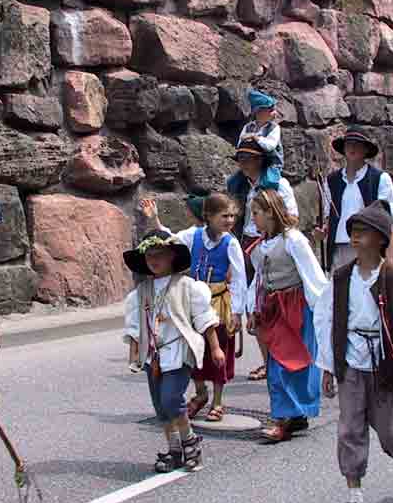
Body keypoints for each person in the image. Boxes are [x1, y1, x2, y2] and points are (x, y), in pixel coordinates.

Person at [315, 201, 393, 503]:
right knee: (349, 429)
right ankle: (355, 498)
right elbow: (325, 320)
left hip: (383, 365)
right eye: (353, 231)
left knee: (390, 433)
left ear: (380, 239)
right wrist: (328, 366)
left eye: (363, 232)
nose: (355, 237)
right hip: (351, 363)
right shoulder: (341, 279)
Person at [123, 230, 225, 472]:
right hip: (154, 355)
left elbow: (204, 318)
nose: (154, 260)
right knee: (161, 406)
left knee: (171, 399)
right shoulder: (141, 292)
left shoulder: (187, 286)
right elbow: (135, 326)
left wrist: (215, 348)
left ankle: (191, 443)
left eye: (160, 254)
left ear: (172, 256)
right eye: (149, 256)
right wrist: (134, 354)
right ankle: (174, 450)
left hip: (179, 350)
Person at [139, 193, 246, 422]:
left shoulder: (231, 242)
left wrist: (237, 311)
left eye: (232, 216)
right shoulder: (193, 235)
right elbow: (170, 239)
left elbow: (239, 278)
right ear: (209, 216)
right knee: (194, 348)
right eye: (224, 216)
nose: (229, 221)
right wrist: (154, 219)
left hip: (218, 301)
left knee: (219, 351)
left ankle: (218, 401)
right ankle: (200, 393)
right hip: (194, 302)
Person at [246, 190, 327, 442]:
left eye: (256, 213)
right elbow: (259, 280)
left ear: (270, 213)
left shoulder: (293, 240)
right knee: (276, 364)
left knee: (293, 363)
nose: (253, 218)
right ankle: (290, 415)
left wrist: (321, 310)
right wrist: (254, 309)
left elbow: (312, 275)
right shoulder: (261, 246)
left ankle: (287, 418)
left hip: (295, 307)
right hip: (274, 308)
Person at [227, 139, 299, 381]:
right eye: (241, 158)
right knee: (253, 304)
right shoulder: (241, 187)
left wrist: (273, 238)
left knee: (270, 304)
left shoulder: (279, 185)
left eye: (248, 158)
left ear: (260, 160)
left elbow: (293, 217)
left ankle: (280, 360)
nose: (243, 163)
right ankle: (267, 361)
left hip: (270, 244)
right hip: (247, 243)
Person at [312, 126, 393, 273]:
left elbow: (387, 219)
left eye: (357, 144)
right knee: (340, 286)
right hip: (339, 247)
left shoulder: (380, 179)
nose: (352, 148)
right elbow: (328, 216)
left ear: (365, 150)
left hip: (369, 246)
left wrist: (388, 260)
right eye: (349, 144)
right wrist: (323, 231)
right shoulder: (332, 181)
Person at [236, 89, 284, 188]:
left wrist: (254, 137)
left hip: (270, 165)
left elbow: (270, 146)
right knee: (234, 183)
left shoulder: (274, 128)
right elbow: (240, 144)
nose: (275, 113)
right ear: (259, 112)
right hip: (250, 163)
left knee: (269, 182)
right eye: (270, 110)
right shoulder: (248, 127)